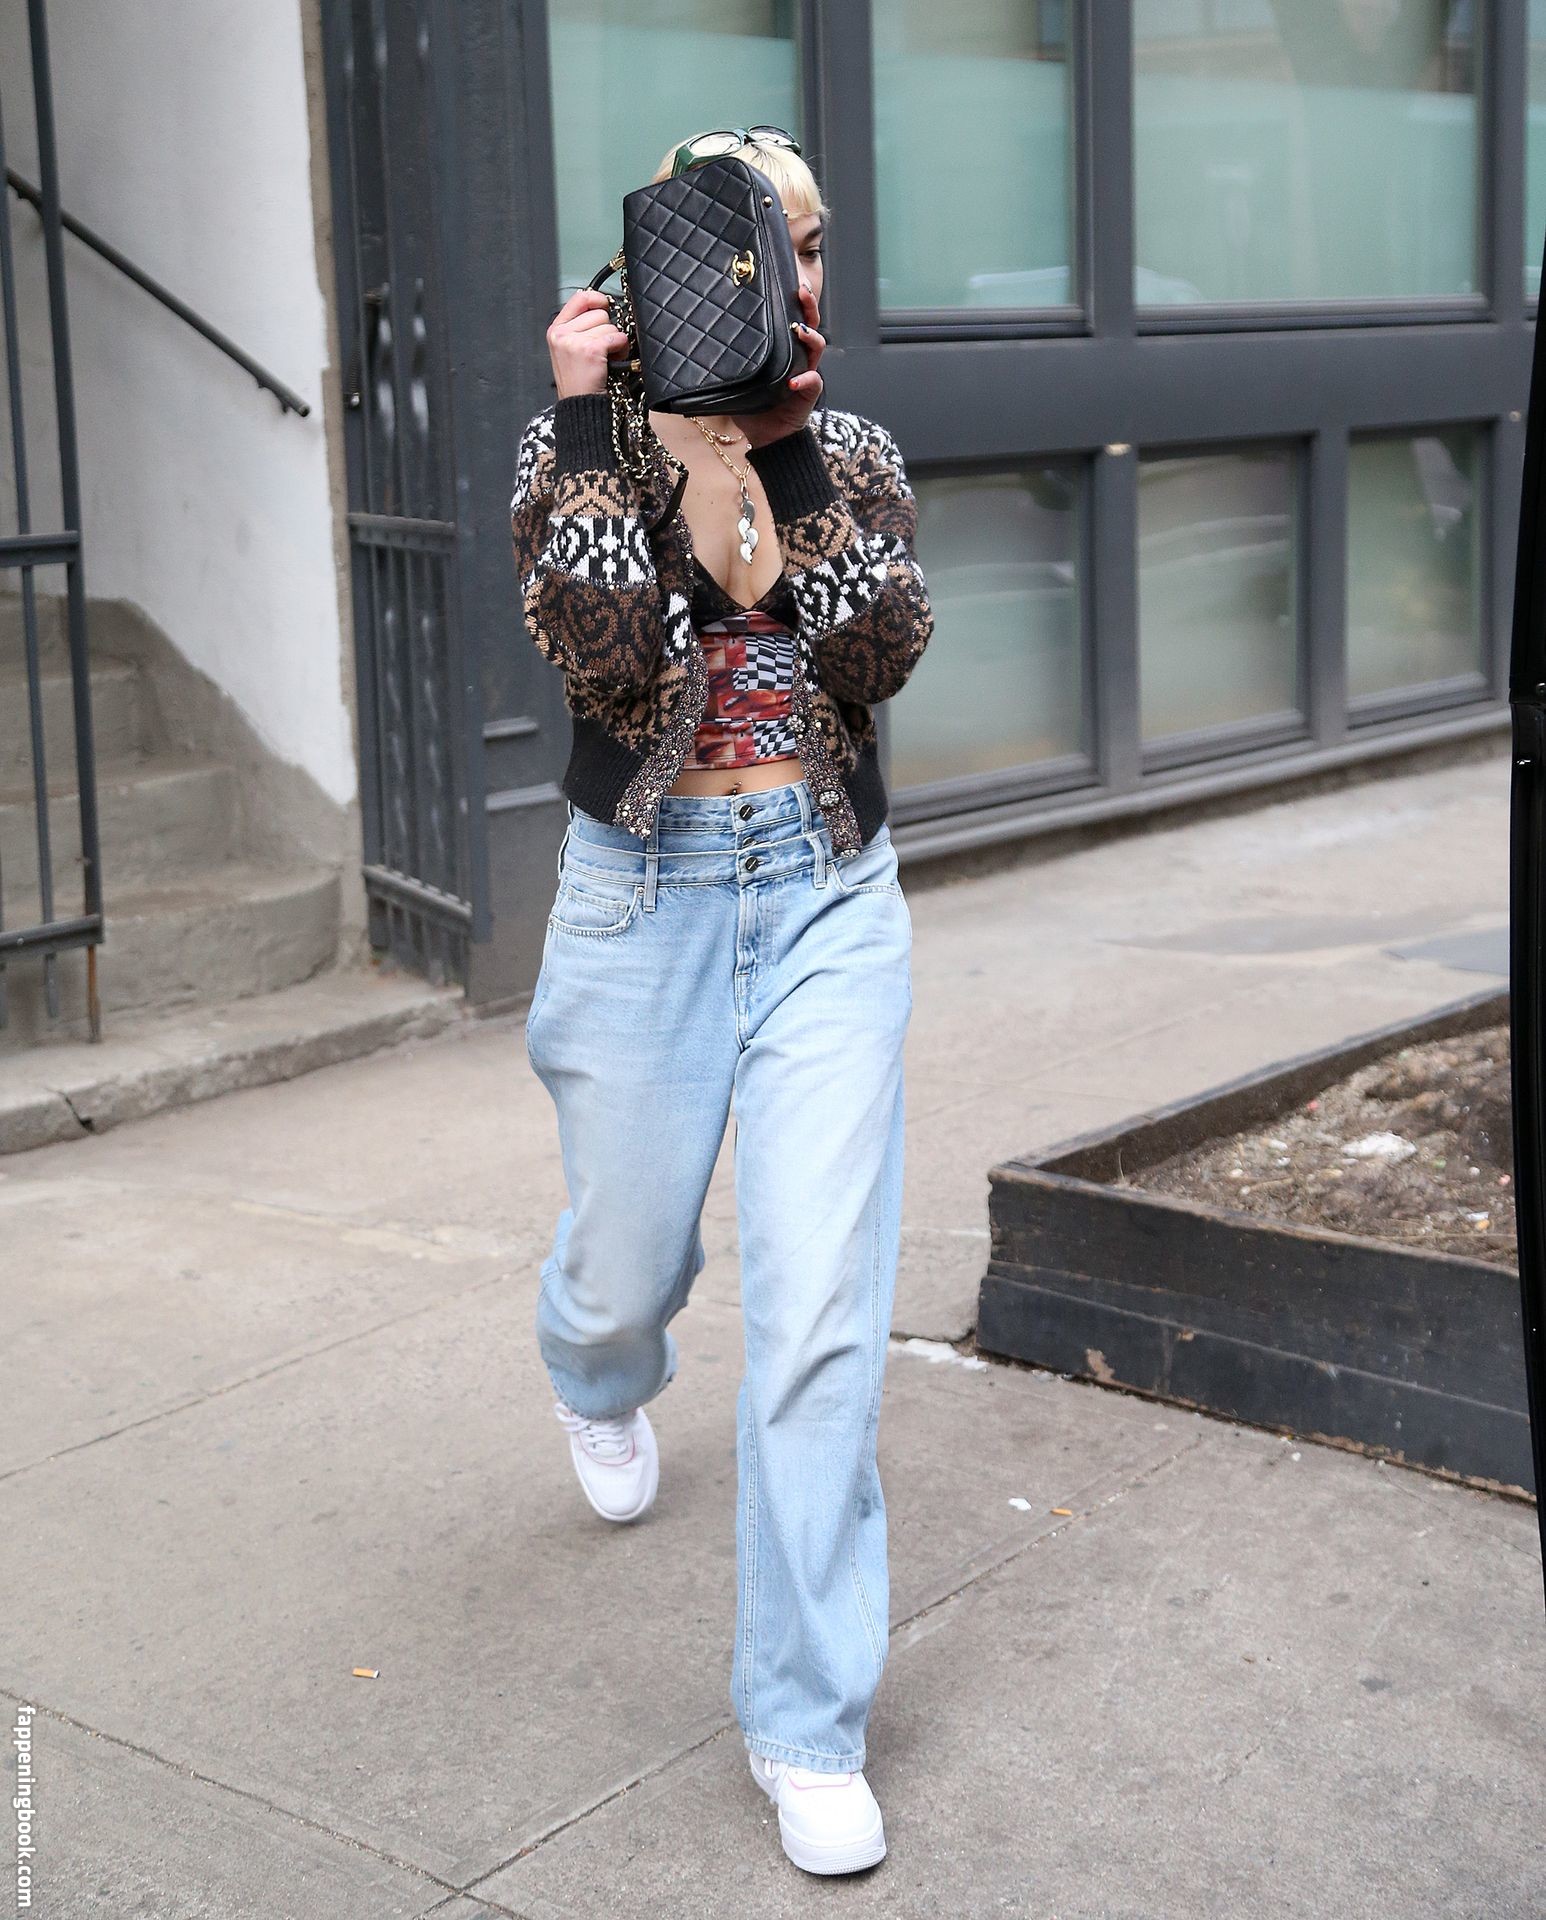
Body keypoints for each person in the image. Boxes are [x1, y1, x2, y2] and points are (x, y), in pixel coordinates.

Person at [509, 125, 933, 1878]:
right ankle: (595, 1367)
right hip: (644, 902)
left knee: (821, 1318)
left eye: (806, 247)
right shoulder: (574, 445)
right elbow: (607, 660)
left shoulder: (854, 450)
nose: (786, 278)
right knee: (625, 1268)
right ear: (655, 270)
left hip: (825, 894)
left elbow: (878, 652)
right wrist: (597, 420)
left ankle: (804, 1720)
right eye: (747, 245)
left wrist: (786, 450)